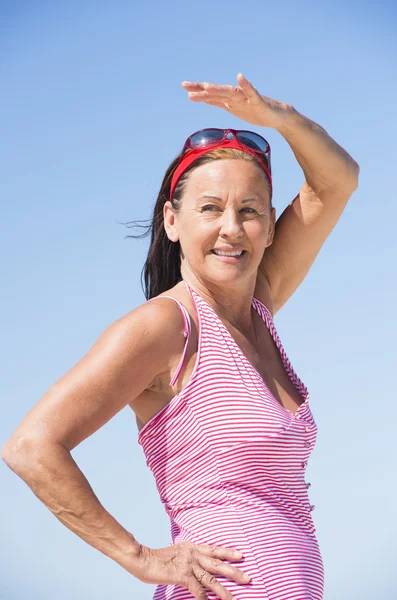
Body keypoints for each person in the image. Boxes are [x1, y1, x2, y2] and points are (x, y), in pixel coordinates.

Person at [2, 73, 359, 600]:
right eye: (210, 208)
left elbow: (339, 181)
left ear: (269, 225)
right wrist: (140, 557)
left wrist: (280, 119)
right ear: (172, 220)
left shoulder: (258, 304)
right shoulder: (166, 326)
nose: (232, 229)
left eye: (250, 211)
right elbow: (31, 447)